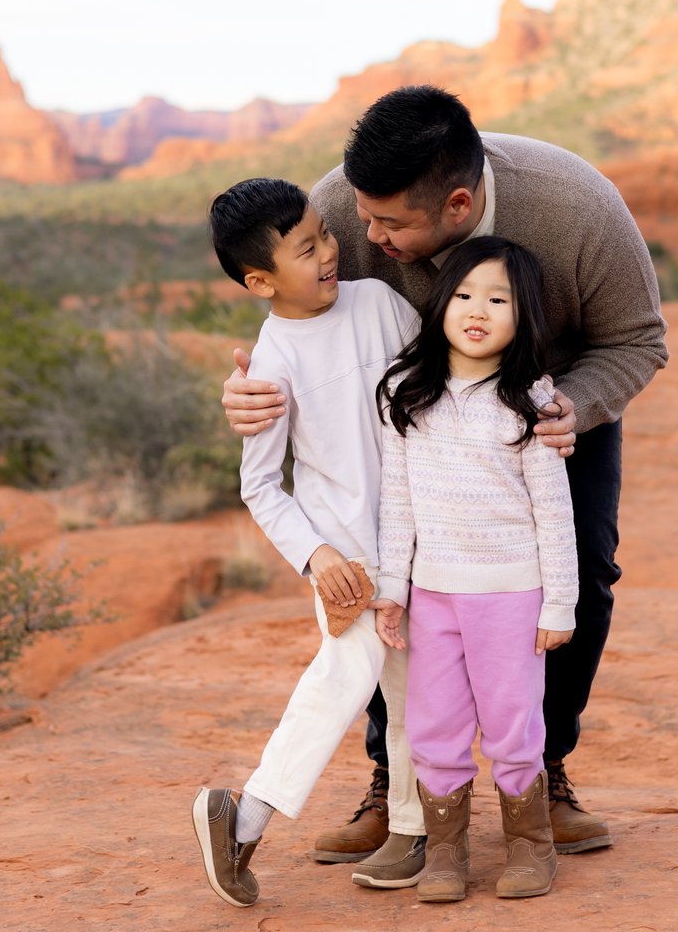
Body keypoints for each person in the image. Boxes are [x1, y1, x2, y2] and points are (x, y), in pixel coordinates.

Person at [222, 85, 669, 860]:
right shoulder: (345, 210)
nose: (364, 236)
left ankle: (541, 773)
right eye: (359, 218)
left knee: (584, 568)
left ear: (458, 205)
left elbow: (637, 339)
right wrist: (252, 392)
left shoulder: (578, 210)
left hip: (548, 406)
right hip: (416, 418)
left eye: (389, 226)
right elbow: (299, 318)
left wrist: (570, 407)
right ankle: (395, 783)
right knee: (394, 583)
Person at [189, 178, 426, 908]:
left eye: (325, 235)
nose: (328, 252)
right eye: (305, 248)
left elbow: (439, 385)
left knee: (415, 691)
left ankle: (411, 829)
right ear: (260, 281)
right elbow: (260, 485)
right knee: (347, 676)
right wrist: (317, 558)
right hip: (349, 559)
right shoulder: (271, 365)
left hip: (421, 536)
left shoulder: (380, 304)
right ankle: (249, 818)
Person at [372, 235, 576, 902]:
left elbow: (554, 512)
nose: (477, 310)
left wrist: (560, 604)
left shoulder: (531, 402)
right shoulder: (405, 393)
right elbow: (398, 502)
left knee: (513, 722)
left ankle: (530, 846)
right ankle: (445, 852)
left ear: (525, 316)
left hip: (512, 596)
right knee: (435, 723)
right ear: (440, 304)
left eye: (498, 300)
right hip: (433, 595)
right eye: (462, 295)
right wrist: (391, 589)